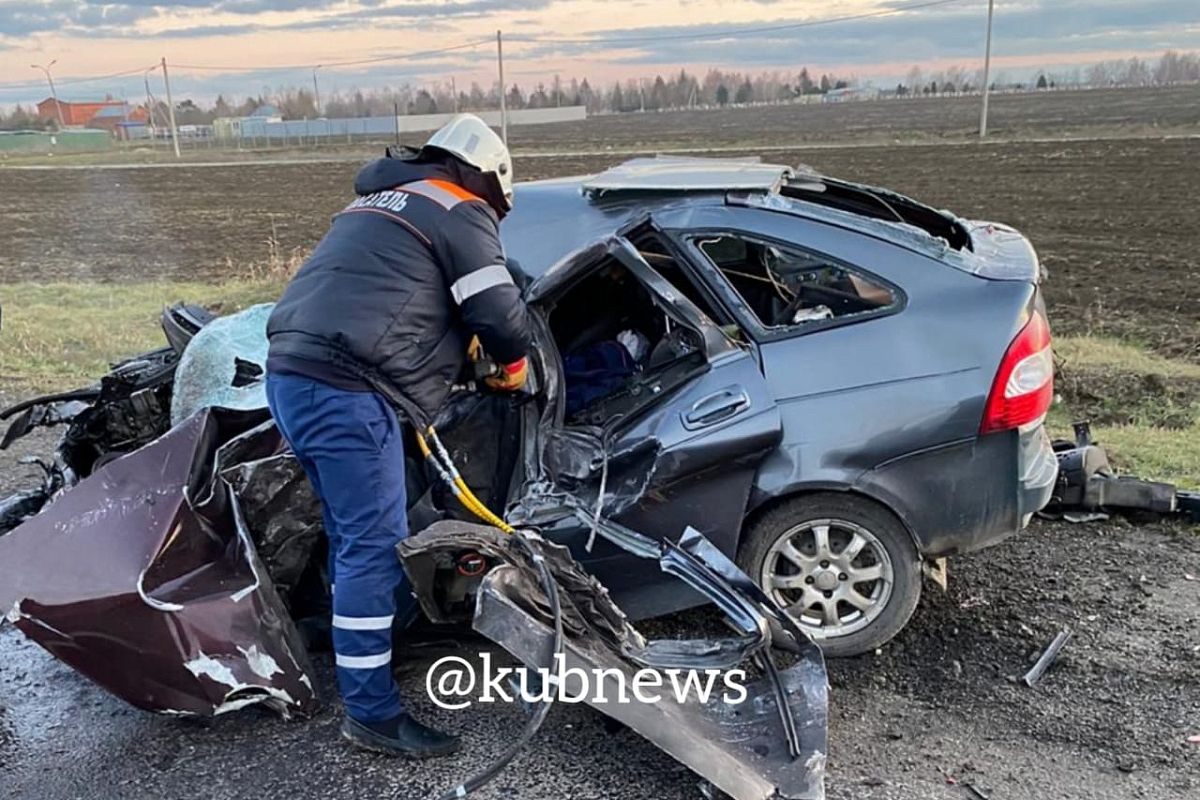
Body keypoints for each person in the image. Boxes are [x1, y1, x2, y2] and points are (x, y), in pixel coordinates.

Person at [264, 114, 533, 757]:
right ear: (485, 179)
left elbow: (390, 295)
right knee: (373, 544)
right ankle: (371, 712)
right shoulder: (459, 208)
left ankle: (358, 645)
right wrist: (514, 369)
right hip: (349, 391)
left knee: (350, 530)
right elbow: (497, 313)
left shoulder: (373, 202)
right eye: (496, 206)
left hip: (293, 376)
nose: (492, 217)